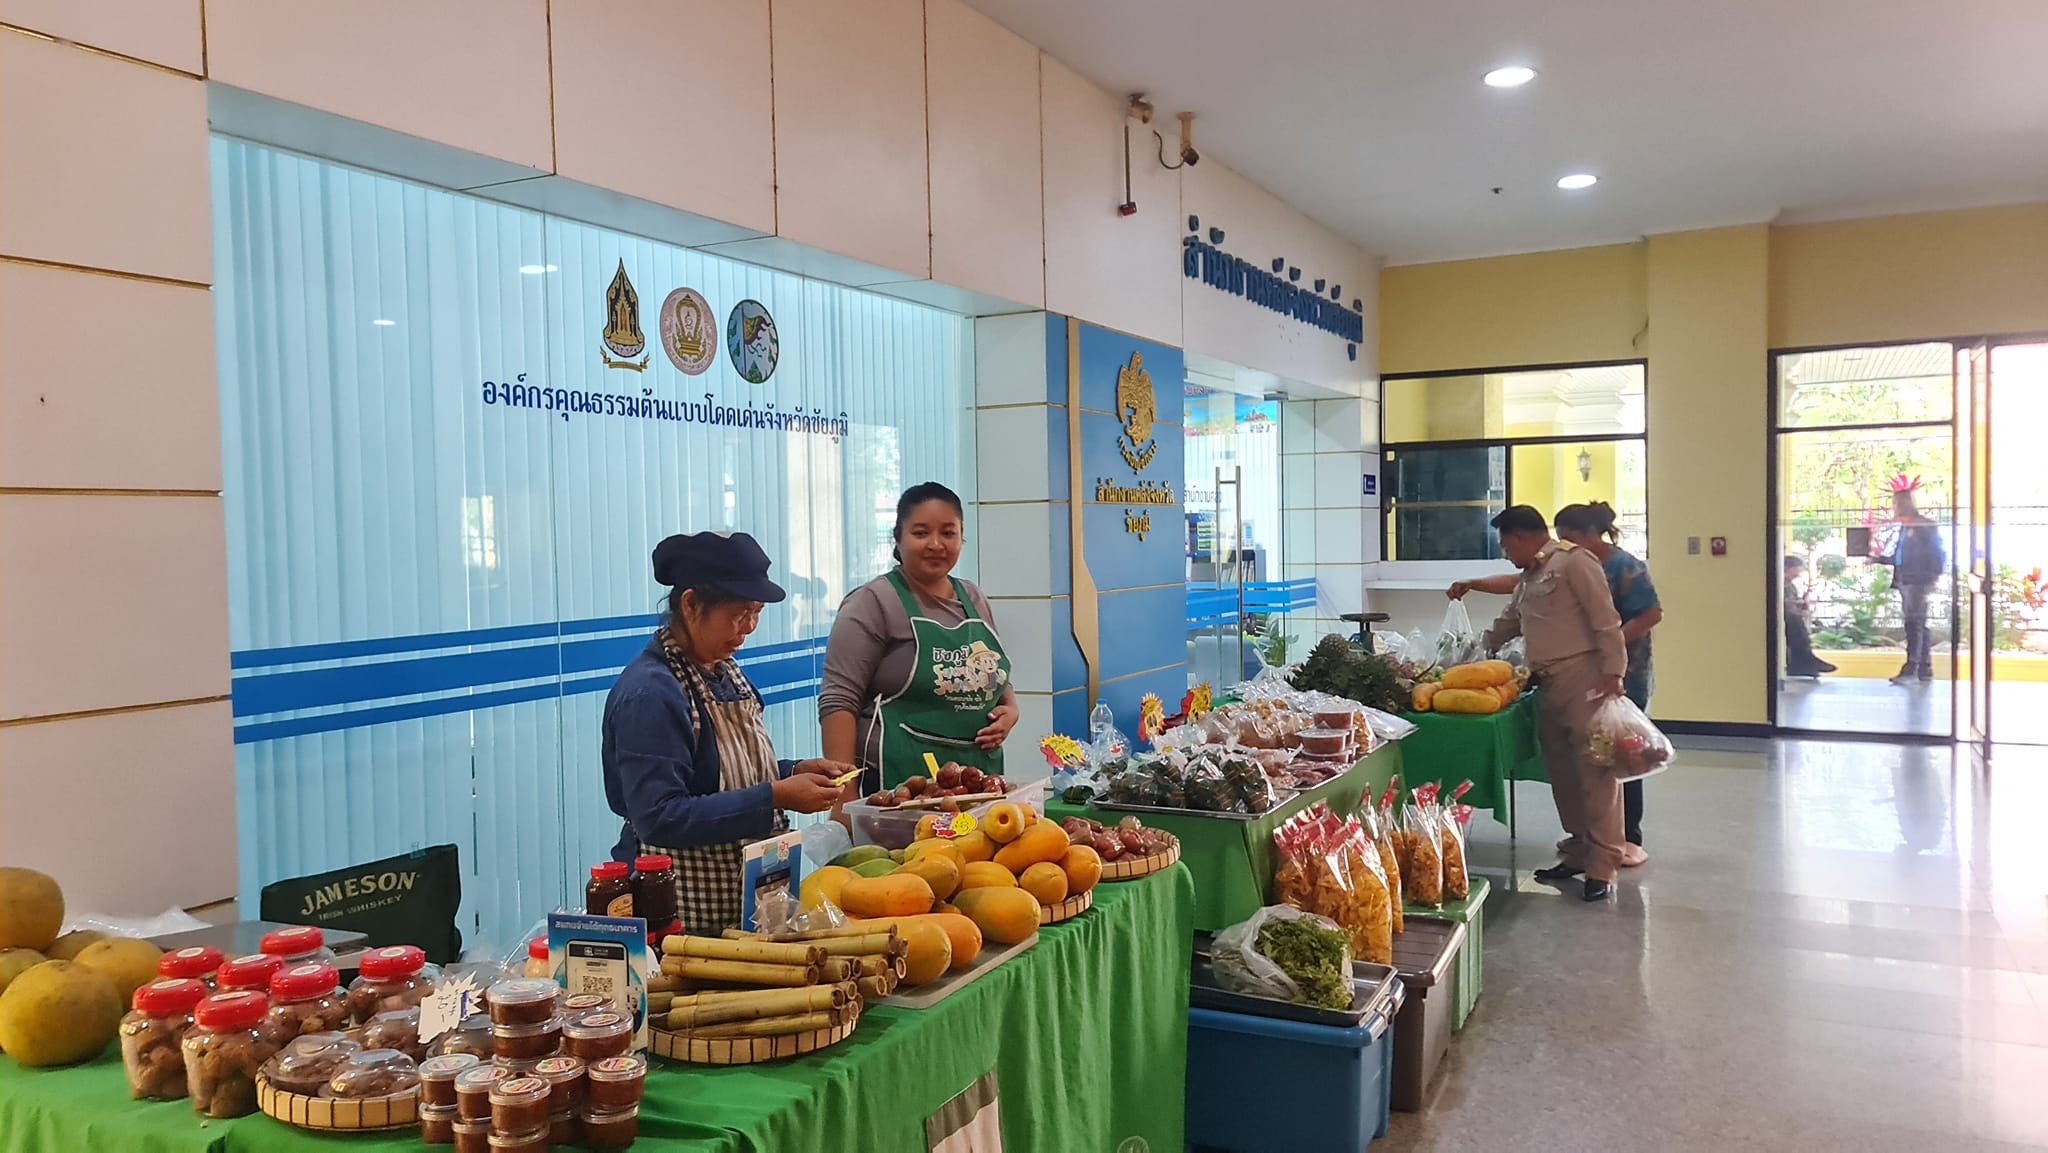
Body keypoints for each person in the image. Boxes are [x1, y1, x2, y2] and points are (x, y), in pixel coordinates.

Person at [601, 530, 855, 934]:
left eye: (756, 613)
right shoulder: (650, 693)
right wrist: (776, 795)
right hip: (682, 915)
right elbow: (659, 816)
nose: (749, 627)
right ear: (690, 605)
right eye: (739, 613)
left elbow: (718, 771)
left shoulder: (722, 670)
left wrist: (792, 771)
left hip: (749, 897)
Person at [1474, 505, 1629, 902]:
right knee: (1562, 773)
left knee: (1597, 773)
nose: (1506, 553)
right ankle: (1578, 852)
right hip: (1547, 683)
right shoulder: (1530, 577)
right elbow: (1509, 623)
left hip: (1586, 680)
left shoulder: (1574, 563)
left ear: (1523, 537)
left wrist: (1614, 673)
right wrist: (1472, 651)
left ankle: (1603, 866)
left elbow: (1605, 619)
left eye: (1507, 545)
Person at [820, 482, 1018, 788]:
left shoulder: (973, 597)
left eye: (948, 533)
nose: (936, 544)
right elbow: (839, 701)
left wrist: (1010, 710)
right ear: (897, 538)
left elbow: (993, 675)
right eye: (921, 532)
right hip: (898, 787)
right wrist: (843, 791)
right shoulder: (873, 602)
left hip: (977, 779)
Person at [1874, 480, 1946, 684]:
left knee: (1914, 624)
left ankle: (1912, 667)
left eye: (1895, 504)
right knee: (1918, 623)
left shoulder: (1923, 526)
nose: (1893, 508)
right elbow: (1901, 557)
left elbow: (1935, 554)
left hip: (1918, 582)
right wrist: (1878, 559)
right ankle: (1924, 667)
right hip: (1907, 581)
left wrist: (1931, 578)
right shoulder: (1905, 529)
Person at [1782, 556, 1836, 677]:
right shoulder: (1780, 584)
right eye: (1796, 569)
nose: (1798, 573)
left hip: (1790, 617)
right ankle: (1804, 663)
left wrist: (1802, 609)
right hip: (1785, 619)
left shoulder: (1790, 585)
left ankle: (1807, 660)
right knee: (1795, 623)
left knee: (1797, 624)